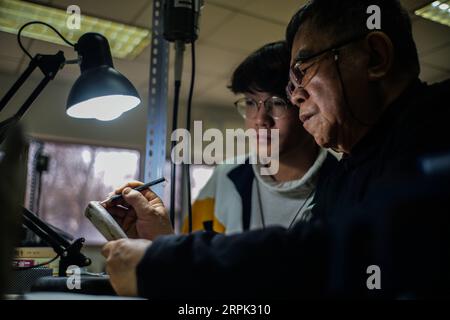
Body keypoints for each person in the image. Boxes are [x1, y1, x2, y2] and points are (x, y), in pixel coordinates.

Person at [101, 0, 450, 299]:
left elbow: (340, 252)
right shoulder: (347, 176)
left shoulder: (438, 126)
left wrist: (168, 262)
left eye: (303, 72)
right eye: (251, 103)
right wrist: (162, 245)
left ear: (375, 55)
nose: (297, 97)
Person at [183, 41, 336, 234]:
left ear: (304, 103)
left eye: (278, 103)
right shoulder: (226, 178)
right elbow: (188, 258)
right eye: (250, 102)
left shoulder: (345, 186)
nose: (260, 119)